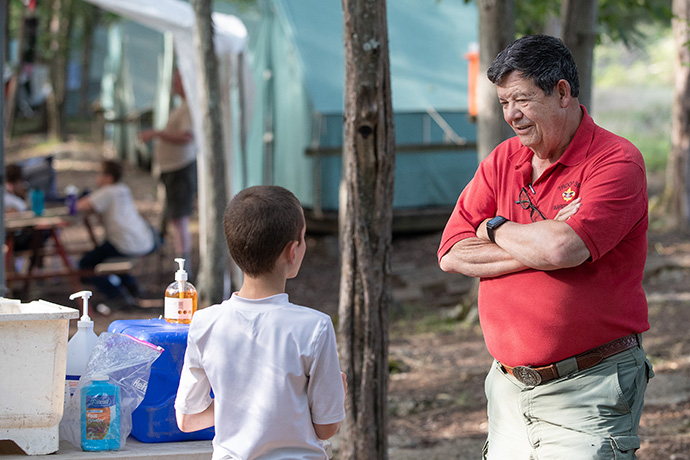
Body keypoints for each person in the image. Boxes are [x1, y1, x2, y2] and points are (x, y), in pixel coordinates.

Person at [437, 35, 653, 459]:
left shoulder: (616, 162)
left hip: (589, 388)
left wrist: (494, 227)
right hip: (508, 390)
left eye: (521, 99)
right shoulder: (503, 160)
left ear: (562, 93)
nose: (511, 115)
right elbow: (450, 252)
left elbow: (563, 249)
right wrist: (539, 241)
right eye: (503, 103)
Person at [175, 185, 347, 460]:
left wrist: (241, 401)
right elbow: (326, 428)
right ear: (292, 251)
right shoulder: (315, 327)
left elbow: (187, 420)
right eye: (303, 238)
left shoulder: (204, 322)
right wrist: (335, 395)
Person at [76, 160, 155, 311]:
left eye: (99, 173)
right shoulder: (122, 189)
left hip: (124, 242)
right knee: (106, 257)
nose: (96, 177)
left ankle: (116, 296)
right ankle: (130, 285)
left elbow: (79, 206)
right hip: (142, 240)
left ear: (109, 178)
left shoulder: (108, 191)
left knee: (86, 264)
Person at [138, 69, 196, 263]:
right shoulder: (182, 106)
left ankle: (183, 266)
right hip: (172, 169)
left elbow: (187, 137)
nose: (174, 84)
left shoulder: (189, 107)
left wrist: (157, 134)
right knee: (174, 217)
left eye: (177, 80)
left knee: (179, 218)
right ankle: (179, 262)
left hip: (180, 168)